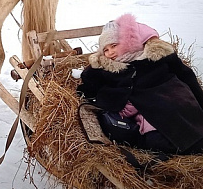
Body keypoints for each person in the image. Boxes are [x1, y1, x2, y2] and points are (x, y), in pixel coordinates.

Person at [77, 13, 203, 154]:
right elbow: (89, 84)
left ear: (126, 42)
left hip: (175, 102)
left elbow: (186, 76)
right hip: (151, 114)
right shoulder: (112, 68)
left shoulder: (151, 58)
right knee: (157, 141)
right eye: (105, 50)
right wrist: (96, 64)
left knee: (183, 135)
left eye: (114, 45)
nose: (111, 52)